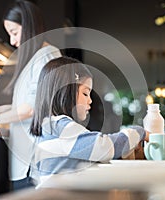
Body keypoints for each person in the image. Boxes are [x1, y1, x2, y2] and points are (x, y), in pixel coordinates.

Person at [0, 0, 62, 190]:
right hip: (25, 163)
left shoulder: (46, 57)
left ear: (29, 27)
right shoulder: (36, 58)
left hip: (33, 164)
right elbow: (27, 103)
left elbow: (32, 108)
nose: (12, 41)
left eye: (14, 32)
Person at [29, 56, 149, 187]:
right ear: (65, 92)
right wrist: (139, 132)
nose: (90, 101)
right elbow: (105, 147)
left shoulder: (48, 128)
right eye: (85, 94)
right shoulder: (62, 128)